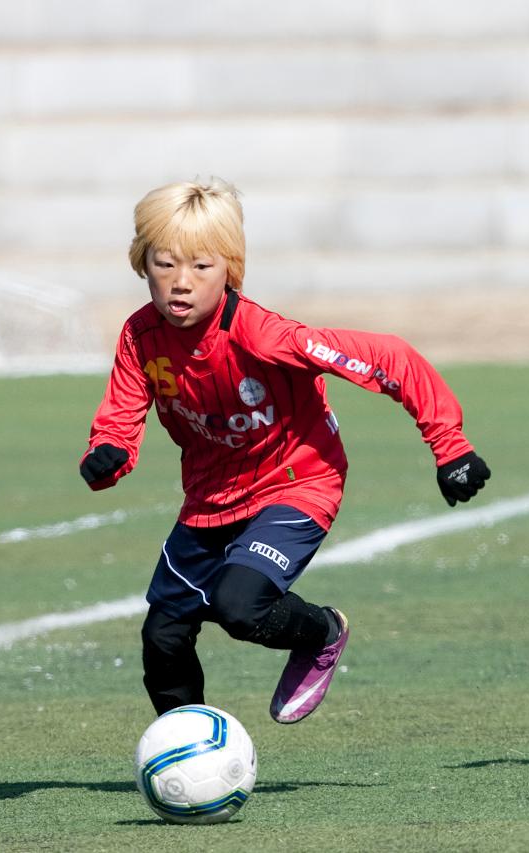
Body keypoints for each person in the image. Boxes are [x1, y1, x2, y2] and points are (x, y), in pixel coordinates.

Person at [81, 179, 491, 723]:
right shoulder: (140, 336)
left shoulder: (263, 336)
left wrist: (450, 446)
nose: (181, 283)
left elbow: (391, 357)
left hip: (295, 483)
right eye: (165, 265)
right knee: (163, 635)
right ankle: (187, 750)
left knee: (238, 606)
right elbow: (121, 414)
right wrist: (108, 453)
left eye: (200, 267)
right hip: (208, 498)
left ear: (229, 267)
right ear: (142, 264)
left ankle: (322, 632)